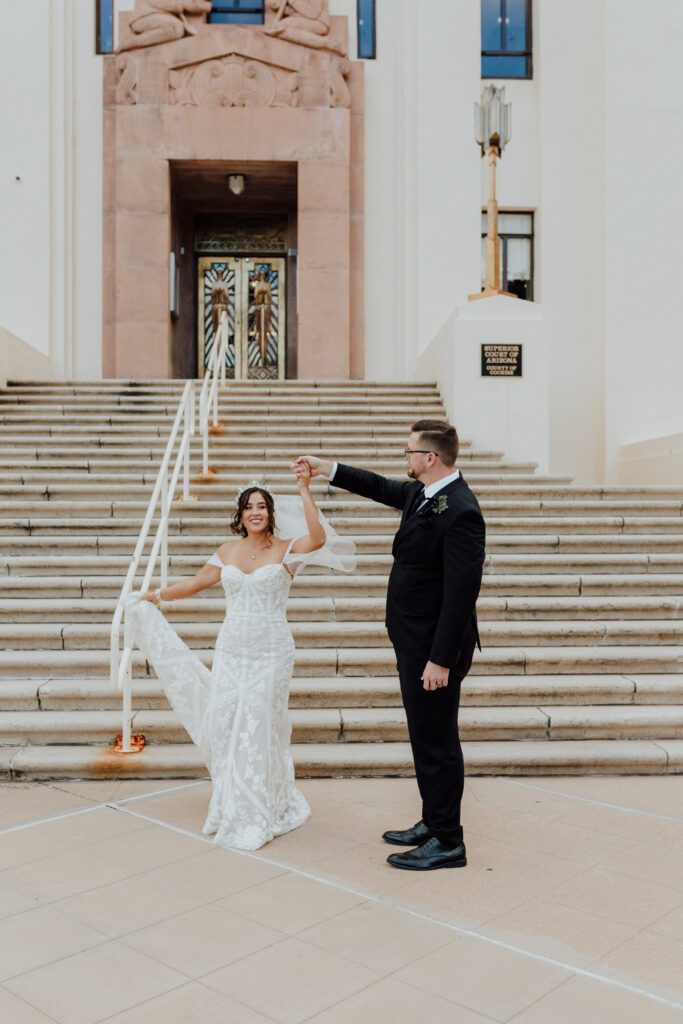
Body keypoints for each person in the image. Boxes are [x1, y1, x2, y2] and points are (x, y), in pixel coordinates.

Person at [126, 462, 355, 850]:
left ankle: (261, 807)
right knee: (228, 723)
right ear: (240, 514)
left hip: (272, 651)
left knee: (260, 722)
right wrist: (156, 596)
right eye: (249, 506)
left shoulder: (286, 550)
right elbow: (197, 583)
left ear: (270, 514)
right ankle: (233, 800)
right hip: (232, 650)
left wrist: (304, 489)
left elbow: (317, 539)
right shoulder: (227, 551)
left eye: (262, 506)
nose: (255, 512)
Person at [294, 419, 486, 870]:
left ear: (429, 458)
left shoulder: (461, 510)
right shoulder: (423, 494)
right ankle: (433, 819)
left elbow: (461, 595)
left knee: (437, 741)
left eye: (409, 452)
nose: (406, 458)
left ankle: (448, 841)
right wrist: (327, 469)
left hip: (434, 650)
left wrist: (440, 659)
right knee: (423, 736)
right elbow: (380, 486)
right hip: (413, 639)